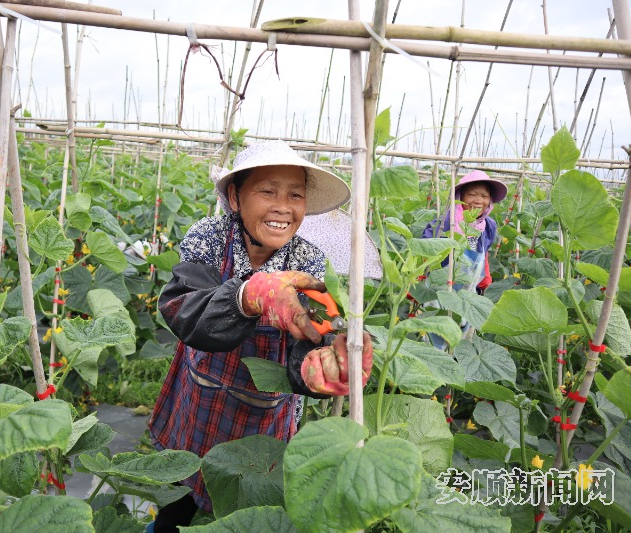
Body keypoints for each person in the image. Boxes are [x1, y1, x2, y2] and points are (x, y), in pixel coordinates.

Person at [147, 141, 374, 532]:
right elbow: (183, 309)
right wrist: (247, 295)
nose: (283, 207)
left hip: (264, 417)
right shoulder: (210, 237)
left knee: (248, 511)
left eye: (295, 195)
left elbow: (315, 336)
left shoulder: (307, 261)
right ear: (236, 197)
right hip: (199, 400)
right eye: (268, 191)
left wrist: (322, 365)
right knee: (177, 502)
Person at [421, 170, 507, 348]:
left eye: (484, 196)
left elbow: (484, 252)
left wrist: (485, 279)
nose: (478, 200)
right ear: (460, 197)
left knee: (462, 345)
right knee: (435, 342)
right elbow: (425, 253)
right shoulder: (446, 223)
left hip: (468, 292)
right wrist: (417, 283)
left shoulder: (488, 225)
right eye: (472, 194)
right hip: (441, 292)